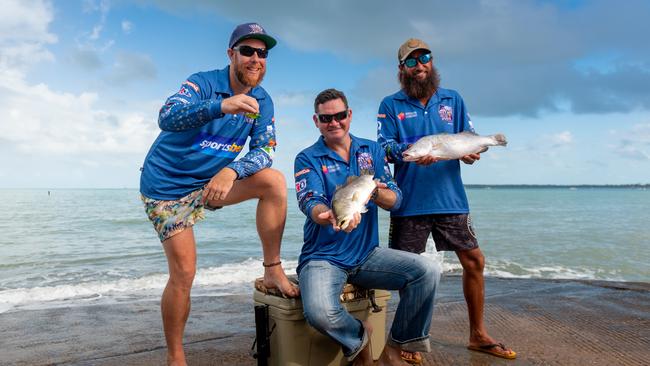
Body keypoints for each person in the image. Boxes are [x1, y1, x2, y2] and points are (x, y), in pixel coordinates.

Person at [139, 22, 299, 366]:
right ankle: (175, 356)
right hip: (166, 187)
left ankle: (273, 268)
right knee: (184, 274)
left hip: (214, 182)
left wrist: (232, 170)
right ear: (231, 54)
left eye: (262, 53)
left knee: (273, 180)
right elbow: (166, 117)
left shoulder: (263, 102)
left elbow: (265, 150)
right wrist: (219, 107)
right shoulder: (202, 83)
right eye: (247, 51)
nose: (255, 59)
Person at [376, 38, 517, 361]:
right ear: (402, 69)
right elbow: (384, 147)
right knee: (406, 273)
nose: (420, 65)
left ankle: (478, 335)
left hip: (450, 199)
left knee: (474, 261)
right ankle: (410, 339)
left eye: (424, 58)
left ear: (432, 61)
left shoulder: (452, 100)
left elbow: (466, 138)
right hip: (408, 202)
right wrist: (410, 152)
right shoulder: (390, 105)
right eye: (411, 61)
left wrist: (470, 152)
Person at [294, 88, 440, 366]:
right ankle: (360, 335)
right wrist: (327, 215)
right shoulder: (307, 157)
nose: (334, 123)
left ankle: (395, 349)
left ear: (349, 115)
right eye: (326, 119)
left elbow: (395, 200)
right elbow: (308, 200)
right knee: (320, 313)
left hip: (367, 255)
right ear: (316, 121)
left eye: (339, 116)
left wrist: (372, 192)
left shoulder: (371, 150)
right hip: (322, 257)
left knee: (428, 271)